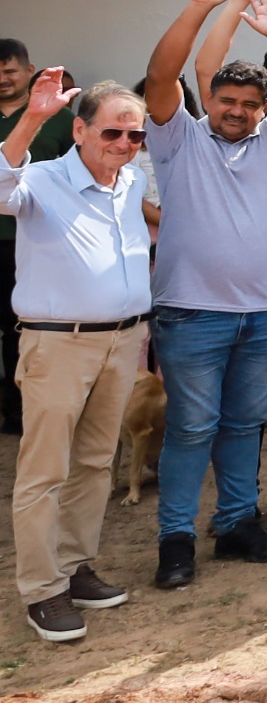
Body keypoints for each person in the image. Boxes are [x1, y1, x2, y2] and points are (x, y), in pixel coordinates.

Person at [142, 0, 267, 588]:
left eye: (249, 104)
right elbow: (162, 75)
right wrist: (201, 6)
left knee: (245, 425)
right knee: (192, 427)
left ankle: (237, 524)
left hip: (265, 314)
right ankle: (175, 539)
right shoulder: (177, 138)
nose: (238, 111)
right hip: (193, 314)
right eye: (227, 101)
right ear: (210, 101)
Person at [0, 71, 150, 643]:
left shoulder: (129, 183)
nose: (124, 145)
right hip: (57, 342)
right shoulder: (40, 176)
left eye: (135, 137)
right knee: (44, 470)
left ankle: (73, 566)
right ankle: (42, 591)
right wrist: (33, 119)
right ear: (80, 129)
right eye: (114, 133)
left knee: (93, 463)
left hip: (119, 340)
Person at [0, 38, 76, 436]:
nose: (2, 79)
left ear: (29, 72)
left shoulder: (60, 119)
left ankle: (19, 412)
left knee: (22, 326)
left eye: (10, 71)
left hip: (35, 239)